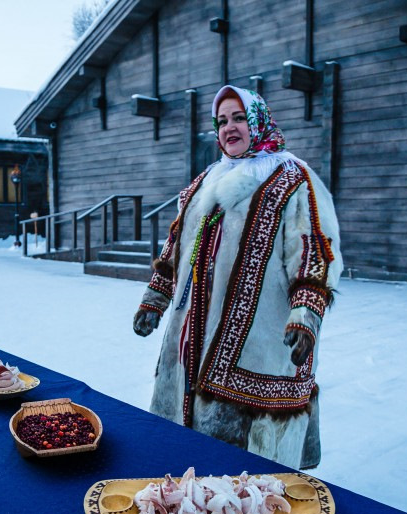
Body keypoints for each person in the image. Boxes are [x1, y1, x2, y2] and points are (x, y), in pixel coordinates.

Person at [133, 86, 342, 470]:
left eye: (239, 118)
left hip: (262, 342)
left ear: (259, 120)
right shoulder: (205, 182)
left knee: (251, 466)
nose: (229, 128)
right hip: (193, 334)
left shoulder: (292, 178)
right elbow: (177, 245)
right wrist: (155, 298)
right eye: (222, 121)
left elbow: (314, 250)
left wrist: (306, 314)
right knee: (188, 448)